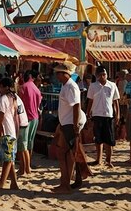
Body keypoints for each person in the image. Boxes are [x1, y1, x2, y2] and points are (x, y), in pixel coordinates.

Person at [52, 61, 91, 194]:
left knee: (65, 154)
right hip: (67, 123)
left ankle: (66, 184)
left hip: (70, 124)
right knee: (66, 153)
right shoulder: (66, 86)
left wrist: (74, 125)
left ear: (65, 74)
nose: (56, 75)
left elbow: (76, 106)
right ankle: (66, 183)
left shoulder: (70, 87)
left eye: (58, 73)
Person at [86, 66, 120, 167]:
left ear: (107, 75)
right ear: (96, 76)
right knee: (98, 139)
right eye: (100, 75)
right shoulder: (93, 86)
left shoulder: (112, 85)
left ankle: (109, 160)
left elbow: (116, 101)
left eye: (104, 74)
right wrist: (88, 113)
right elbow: (90, 101)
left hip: (108, 115)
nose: (102, 77)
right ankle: (98, 159)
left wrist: (117, 114)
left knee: (109, 139)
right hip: (97, 114)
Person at [0, 77, 21, 190]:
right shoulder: (13, 97)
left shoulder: (4, 98)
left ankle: (1, 182)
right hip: (12, 130)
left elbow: (1, 115)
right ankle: (14, 183)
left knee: (7, 159)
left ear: (5, 87)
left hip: (7, 130)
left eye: (0, 86)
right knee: (10, 159)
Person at [17, 70, 42, 175]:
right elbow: (39, 103)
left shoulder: (23, 87)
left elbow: (19, 104)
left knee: (23, 145)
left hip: (25, 118)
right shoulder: (36, 89)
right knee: (30, 144)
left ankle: (24, 168)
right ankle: (28, 165)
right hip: (35, 117)